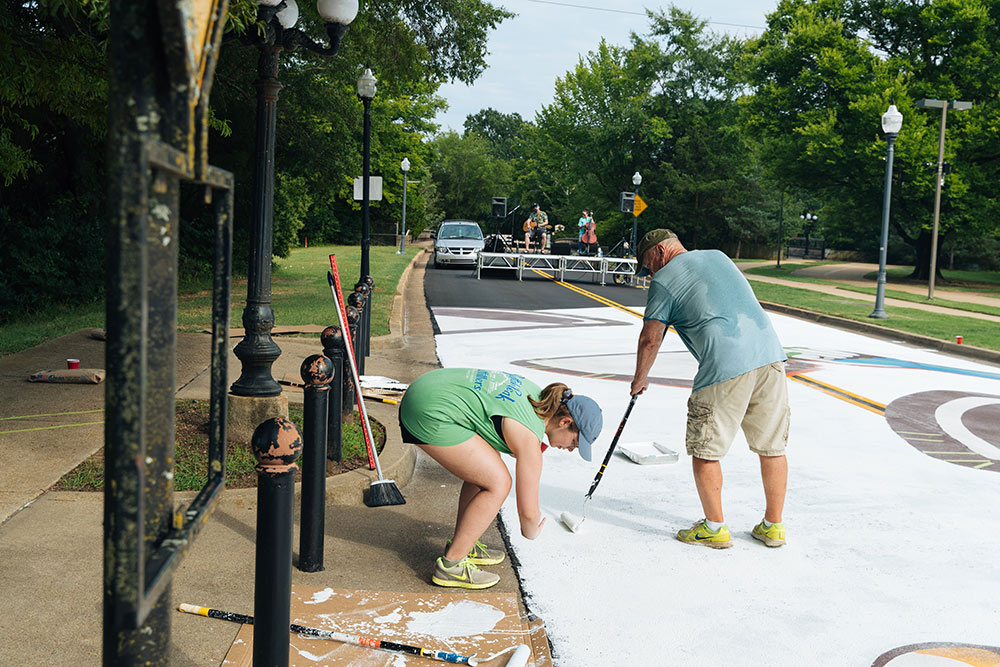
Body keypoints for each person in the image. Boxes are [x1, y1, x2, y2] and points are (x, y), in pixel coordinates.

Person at [629, 229, 789, 550]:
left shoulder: (664, 280)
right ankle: (773, 527)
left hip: (725, 364)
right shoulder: (719, 256)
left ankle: (714, 527)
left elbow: (650, 338)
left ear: (660, 252)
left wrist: (639, 379)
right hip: (770, 356)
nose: (650, 275)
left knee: (705, 449)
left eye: (649, 266)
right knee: (772, 446)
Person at [398, 367, 603, 588]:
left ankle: (464, 543)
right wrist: (533, 529)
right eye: (574, 443)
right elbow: (528, 516)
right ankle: (452, 565)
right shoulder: (528, 434)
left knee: (485, 469)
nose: (570, 450)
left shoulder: (535, 396)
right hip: (427, 410)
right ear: (565, 422)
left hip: (427, 388)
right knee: (499, 482)